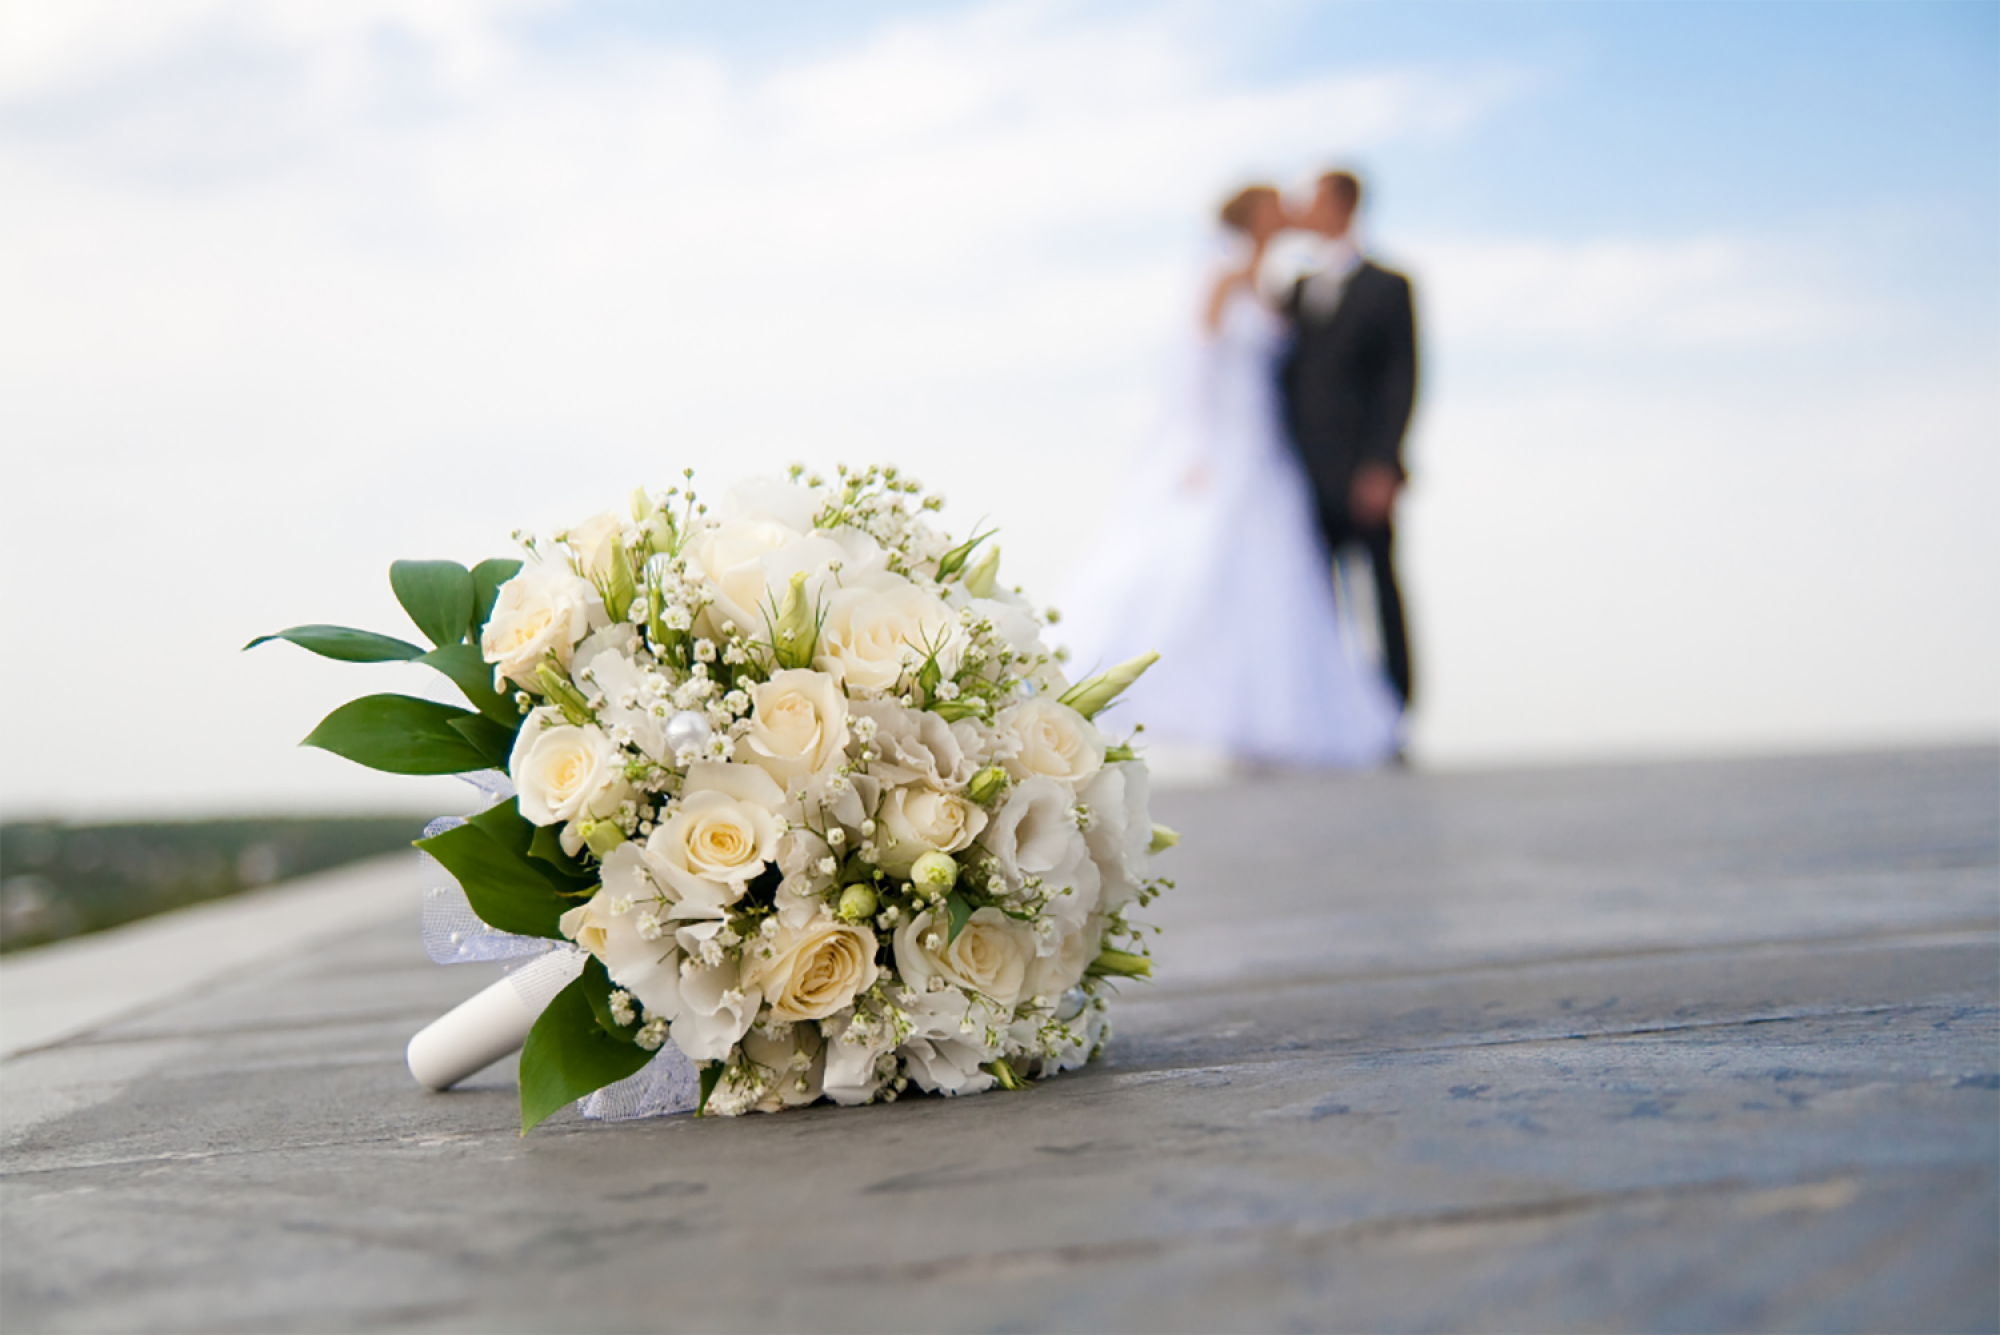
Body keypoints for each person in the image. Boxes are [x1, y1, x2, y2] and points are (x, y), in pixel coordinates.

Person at [1058, 185, 1401, 769]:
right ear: (1249, 218)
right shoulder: (1219, 276)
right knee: (1198, 568)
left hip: (1269, 449)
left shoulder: (1276, 286)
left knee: (1274, 585)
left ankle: (1265, 722)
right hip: (1224, 442)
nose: (1288, 212)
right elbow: (1193, 363)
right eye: (1275, 206)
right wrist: (1195, 445)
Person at [1278, 170, 1419, 710]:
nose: (1300, 210)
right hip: (1298, 475)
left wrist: (1383, 463)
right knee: (1311, 602)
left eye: (1310, 200)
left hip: (1364, 473)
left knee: (1379, 591)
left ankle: (1393, 713)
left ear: (1342, 205)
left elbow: (1401, 379)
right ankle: (1325, 716)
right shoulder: (1292, 292)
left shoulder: (1390, 286)